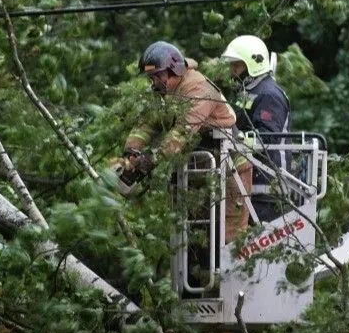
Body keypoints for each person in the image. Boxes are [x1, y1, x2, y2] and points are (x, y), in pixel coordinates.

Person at [120, 41, 252, 243]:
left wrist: (151, 159)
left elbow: (183, 131)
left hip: (230, 171)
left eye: (157, 76)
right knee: (197, 241)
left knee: (229, 240)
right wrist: (132, 152)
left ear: (174, 70)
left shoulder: (198, 88)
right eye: (151, 77)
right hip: (201, 172)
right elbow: (146, 123)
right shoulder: (164, 93)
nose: (154, 82)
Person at [221, 35, 291, 223]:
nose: (232, 71)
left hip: (267, 189)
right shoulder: (248, 92)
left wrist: (235, 140)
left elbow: (268, 137)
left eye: (237, 65)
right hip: (250, 183)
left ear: (254, 64)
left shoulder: (269, 95)